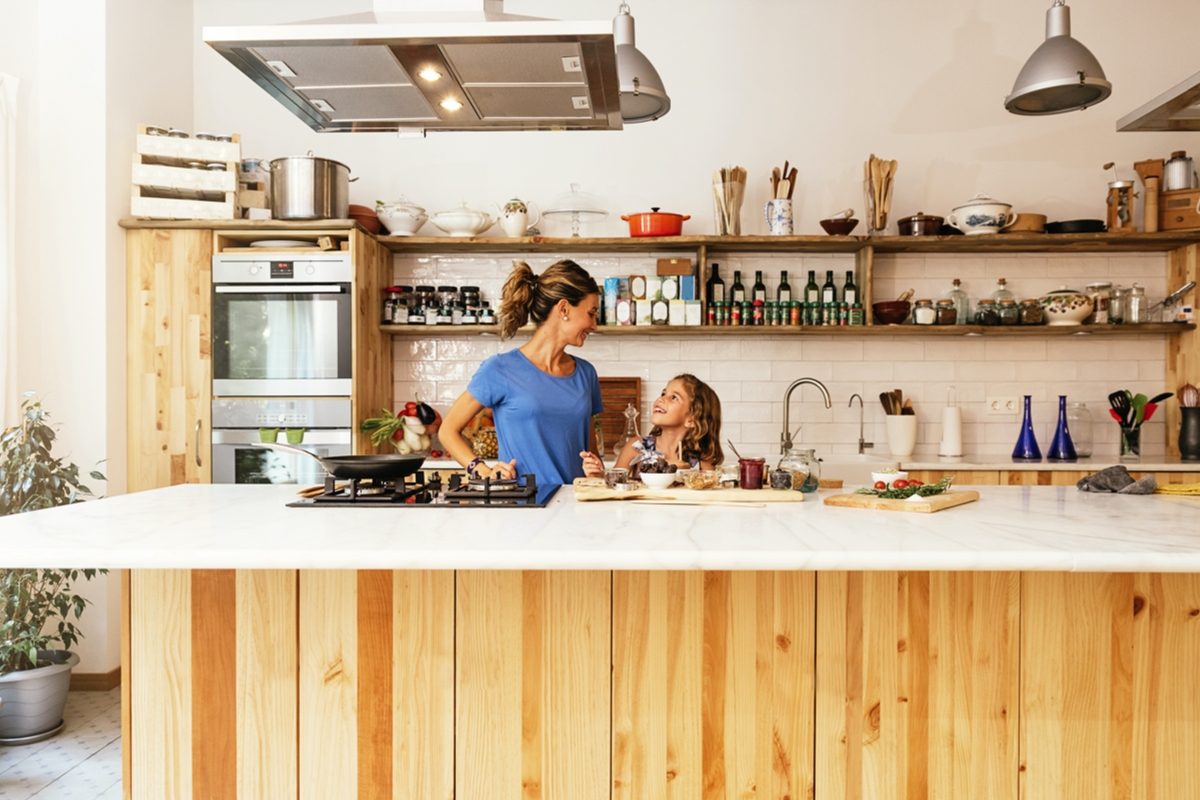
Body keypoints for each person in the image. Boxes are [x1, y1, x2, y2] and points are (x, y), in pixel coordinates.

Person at [440, 259, 602, 491]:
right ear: (564, 309)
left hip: (574, 505)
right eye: (591, 313)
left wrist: (595, 471)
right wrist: (483, 471)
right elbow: (447, 431)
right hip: (521, 507)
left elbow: (590, 452)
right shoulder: (500, 369)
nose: (594, 325)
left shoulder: (586, 373)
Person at [582, 373, 723, 476]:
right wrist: (596, 475)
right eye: (663, 393)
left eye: (674, 397)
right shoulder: (636, 447)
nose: (661, 399)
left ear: (692, 419)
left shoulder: (700, 464)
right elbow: (614, 488)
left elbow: (708, 502)